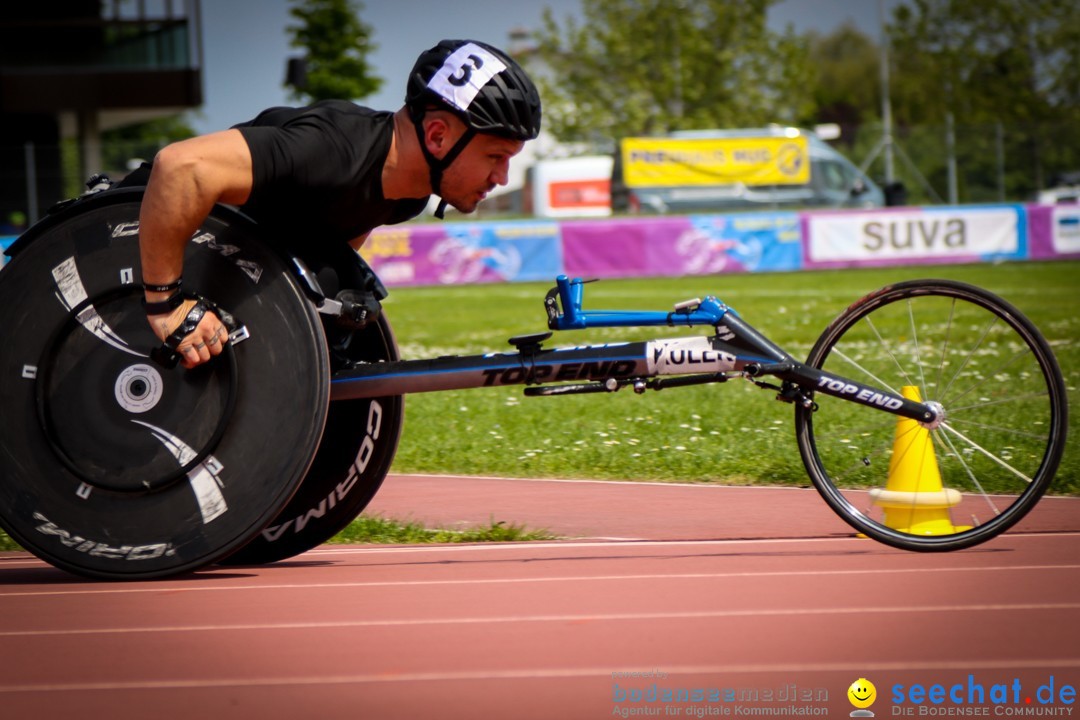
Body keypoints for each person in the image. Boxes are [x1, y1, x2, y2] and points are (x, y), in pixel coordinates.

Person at [138, 38, 542, 368]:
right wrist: (166, 305)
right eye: (496, 157)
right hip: (124, 234)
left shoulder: (408, 197)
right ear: (438, 136)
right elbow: (179, 166)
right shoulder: (331, 150)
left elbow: (328, 249)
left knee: (339, 294)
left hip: (215, 251)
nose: (502, 178)